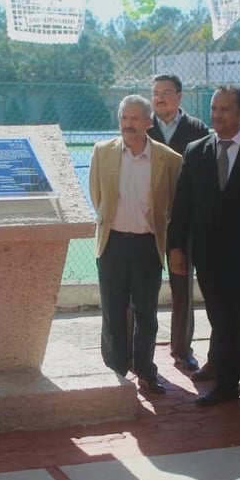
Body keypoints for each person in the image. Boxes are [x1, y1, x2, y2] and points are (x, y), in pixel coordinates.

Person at [167, 86, 240, 419]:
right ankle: (224, 386)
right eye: (214, 109)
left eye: (225, 110)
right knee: (221, 323)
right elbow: (183, 205)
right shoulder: (196, 151)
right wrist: (176, 247)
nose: (217, 115)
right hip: (209, 258)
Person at [90, 95, 182, 394]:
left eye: (134, 119)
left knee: (146, 312)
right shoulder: (102, 152)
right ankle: (115, 370)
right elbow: (97, 197)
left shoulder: (169, 159)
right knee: (113, 310)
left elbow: (172, 204)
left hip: (147, 247)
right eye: (123, 118)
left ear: (148, 122)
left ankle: (145, 368)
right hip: (112, 244)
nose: (128, 125)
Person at [147, 74, 209, 373]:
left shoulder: (197, 129)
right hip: (147, 221)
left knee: (182, 286)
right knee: (141, 288)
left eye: (166, 92)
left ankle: (182, 349)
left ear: (180, 96)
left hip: (184, 223)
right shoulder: (143, 127)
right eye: (155, 92)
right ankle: (138, 350)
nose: (160, 98)